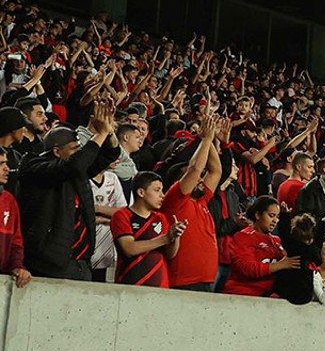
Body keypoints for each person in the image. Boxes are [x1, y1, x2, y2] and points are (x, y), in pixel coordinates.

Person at [18, 103, 120, 280]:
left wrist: (109, 132)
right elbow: (75, 164)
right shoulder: (35, 166)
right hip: (50, 263)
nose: (80, 154)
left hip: (81, 261)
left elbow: (109, 155)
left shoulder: (75, 169)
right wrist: (100, 134)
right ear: (57, 151)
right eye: (75, 149)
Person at [160, 116, 223, 292]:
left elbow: (216, 171)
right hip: (182, 283)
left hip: (206, 281)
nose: (200, 180)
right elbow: (194, 169)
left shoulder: (201, 200)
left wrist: (208, 138)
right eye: (194, 179)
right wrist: (206, 139)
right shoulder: (175, 199)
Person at [110, 171, 187, 288]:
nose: (162, 195)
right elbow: (129, 248)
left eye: (162, 190)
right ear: (141, 192)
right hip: (130, 285)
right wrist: (166, 238)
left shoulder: (160, 218)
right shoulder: (122, 215)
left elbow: (170, 254)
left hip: (159, 286)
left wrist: (175, 237)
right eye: (157, 190)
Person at [222, 196, 299, 297]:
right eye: (271, 215)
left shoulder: (276, 241)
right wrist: (280, 265)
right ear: (258, 215)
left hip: (269, 297)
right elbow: (247, 268)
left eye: (277, 217)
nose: (275, 220)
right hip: (243, 295)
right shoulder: (244, 236)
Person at [0, 150, 30, 288]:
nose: (7, 168)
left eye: (5, 163)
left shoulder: (9, 200)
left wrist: (17, 266)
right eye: (1, 164)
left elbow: (16, 243)